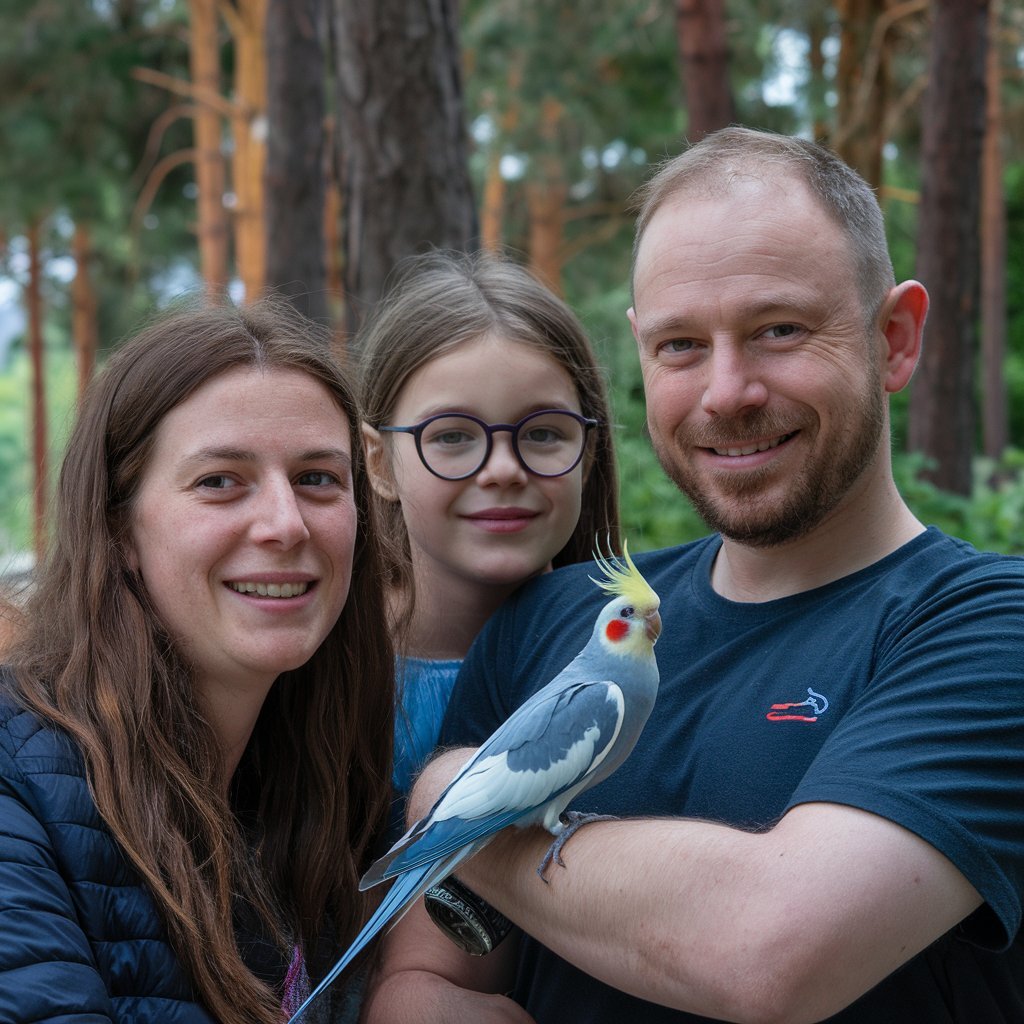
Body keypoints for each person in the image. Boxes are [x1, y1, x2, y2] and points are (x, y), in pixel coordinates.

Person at [361, 128, 1024, 1023]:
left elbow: (770, 952)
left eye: (778, 329)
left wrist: (451, 801)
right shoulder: (553, 619)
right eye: (680, 345)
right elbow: (429, 977)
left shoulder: (987, 631)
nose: (726, 392)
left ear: (895, 339)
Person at [0, 299, 395, 1024]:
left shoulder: (330, 794)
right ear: (119, 529)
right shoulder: (16, 795)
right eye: (220, 480)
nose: (285, 523)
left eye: (318, 479)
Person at [356, 250, 619, 804]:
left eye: (544, 434)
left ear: (588, 451)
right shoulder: (319, 662)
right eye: (452, 436)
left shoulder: (638, 658)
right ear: (379, 463)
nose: (503, 470)